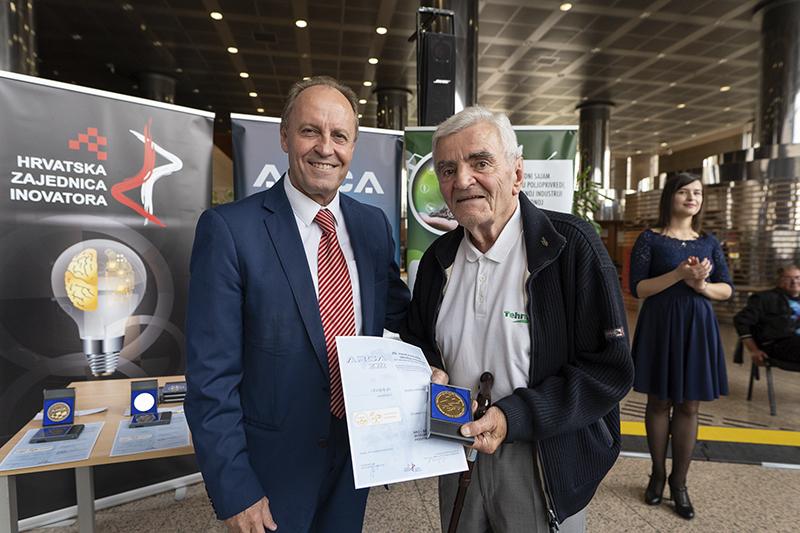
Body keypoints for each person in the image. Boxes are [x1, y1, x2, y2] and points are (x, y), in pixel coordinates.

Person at [184, 76, 410, 533]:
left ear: (353, 147)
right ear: (285, 137)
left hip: (354, 462)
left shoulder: (372, 226)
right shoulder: (229, 231)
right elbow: (210, 378)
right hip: (271, 474)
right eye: (311, 131)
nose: (326, 148)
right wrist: (235, 488)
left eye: (340, 135)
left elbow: (401, 316)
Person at [401, 106, 633, 532]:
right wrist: (428, 368)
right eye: (448, 169)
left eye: (480, 163)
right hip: (456, 449)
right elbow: (419, 341)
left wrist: (514, 417)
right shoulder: (438, 259)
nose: (462, 180)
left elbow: (609, 370)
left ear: (517, 174)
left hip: (543, 457)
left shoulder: (570, 247)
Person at [629, 172, 733, 520]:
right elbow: (637, 288)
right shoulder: (650, 238)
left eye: (698, 193)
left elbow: (727, 288)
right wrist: (678, 275)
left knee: (689, 405)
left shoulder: (709, 242)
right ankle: (657, 474)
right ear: (670, 197)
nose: (692, 198)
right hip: (660, 324)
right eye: (685, 192)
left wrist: (701, 285)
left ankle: (680, 482)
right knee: (659, 401)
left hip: (697, 325)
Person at [734, 265, 800, 366]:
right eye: (788, 278)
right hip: (777, 345)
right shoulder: (764, 298)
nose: (794, 281)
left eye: (797, 277)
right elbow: (741, 321)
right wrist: (753, 350)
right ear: (779, 280)